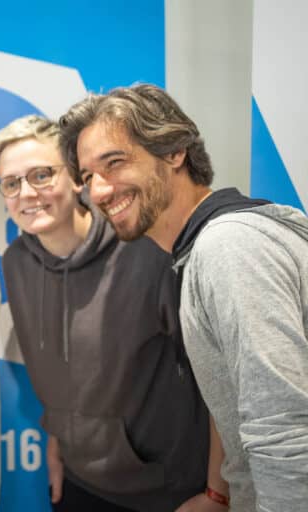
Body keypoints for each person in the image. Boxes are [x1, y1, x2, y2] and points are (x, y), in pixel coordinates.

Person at [59, 83, 308, 512]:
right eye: (87, 177)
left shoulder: (229, 248)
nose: (99, 191)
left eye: (114, 163)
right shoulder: (205, 250)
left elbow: (285, 430)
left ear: (174, 151)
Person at [0, 115, 214, 512]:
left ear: (78, 179)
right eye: (11, 183)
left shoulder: (144, 251)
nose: (27, 193)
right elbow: (63, 374)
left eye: (42, 175)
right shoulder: (16, 264)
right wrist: (59, 441)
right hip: (78, 484)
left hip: (162, 493)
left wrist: (219, 490)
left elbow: (217, 379)